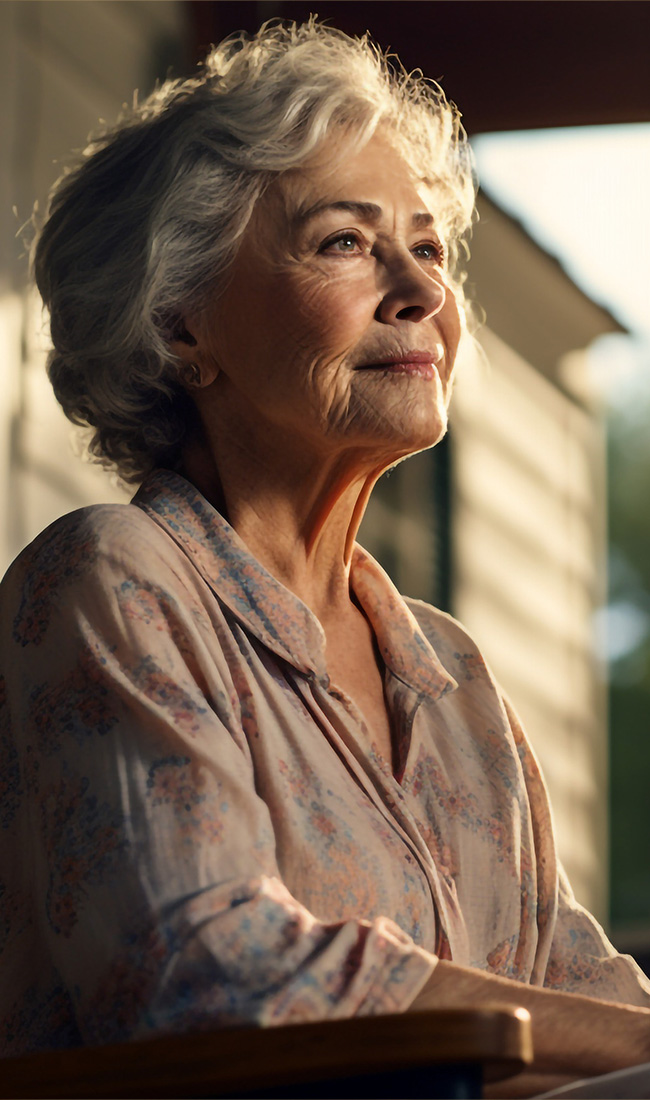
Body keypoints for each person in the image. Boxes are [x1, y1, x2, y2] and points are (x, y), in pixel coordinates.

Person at [0, 18, 648, 1096]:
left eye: (428, 247)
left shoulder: (451, 675)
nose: (424, 291)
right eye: (345, 241)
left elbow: (577, 986)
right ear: (178, 324)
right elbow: (207, 970)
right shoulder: (113, 580)